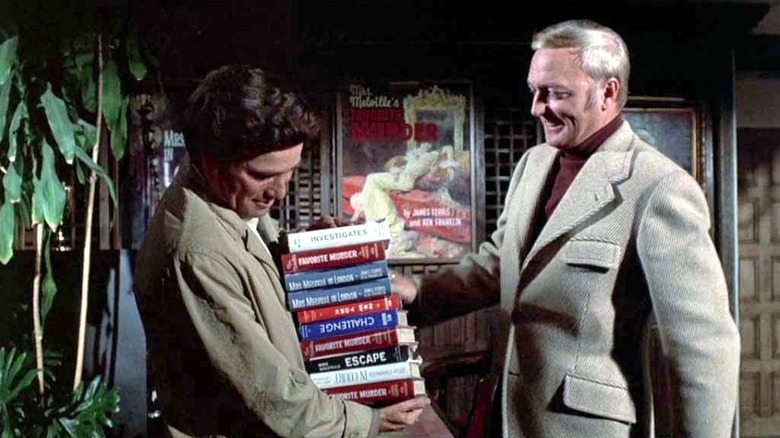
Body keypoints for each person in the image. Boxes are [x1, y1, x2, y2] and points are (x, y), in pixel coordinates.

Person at [392, 19, 740, 438]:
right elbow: (506, 262)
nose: (539, 107)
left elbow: (702, 350)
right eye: (535, 92)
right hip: (509, 418)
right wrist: (423, 292)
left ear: (608, 92)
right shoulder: (533, 164)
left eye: (557, 94)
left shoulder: (660, 188)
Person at [133, 65, 430, 438]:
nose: (280, 192)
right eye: (262, 175)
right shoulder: (198, 252)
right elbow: (275, 397)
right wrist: (371, 421)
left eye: (289, 172)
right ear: (211, 160)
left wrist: (305, 248)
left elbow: (249, 265)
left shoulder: (227, 200)